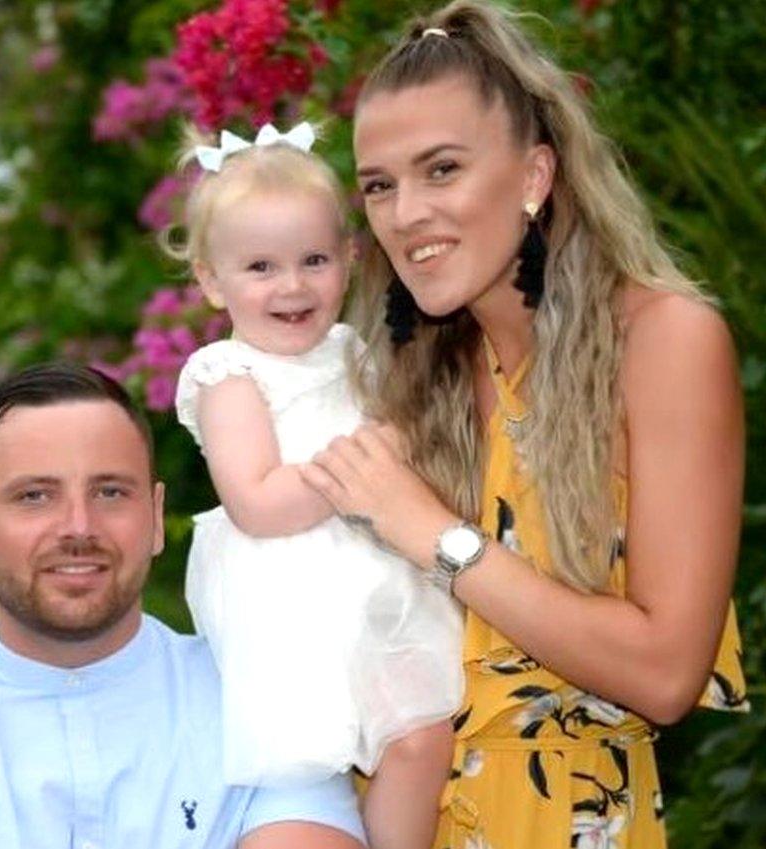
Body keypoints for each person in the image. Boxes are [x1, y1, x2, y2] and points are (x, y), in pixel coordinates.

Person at [300, 2, 749, 848]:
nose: (404, 214)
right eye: (379, 185)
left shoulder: (663, 342)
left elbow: (664, 671)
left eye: (441, 170)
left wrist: (432, 532)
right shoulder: (395, 377)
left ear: (537, 175)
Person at [0, 363, 367, 849]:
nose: (78, 528)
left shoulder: (265, 705)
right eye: (34, 496)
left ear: (154, 515)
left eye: (110, 492)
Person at [170, 123, 463, 849]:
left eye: (314, 260)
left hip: (376, 577)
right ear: (211, 278)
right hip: (294, 603)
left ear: (350, 258)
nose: (292, 285)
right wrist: (370, 459)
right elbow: (260, 501)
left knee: (423, 738)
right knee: (330, 763)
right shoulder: (227, 374)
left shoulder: (350, 350)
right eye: (261, 267)